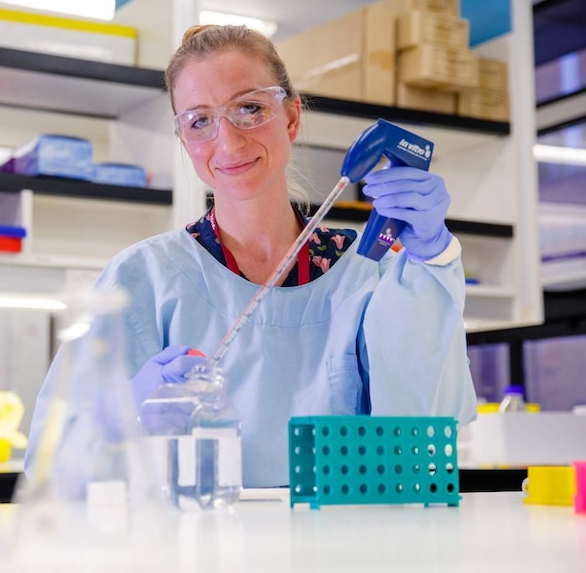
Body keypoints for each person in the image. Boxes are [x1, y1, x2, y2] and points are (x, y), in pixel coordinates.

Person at [25, 24, 478, 489]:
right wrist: (121, 415)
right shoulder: (143, 278)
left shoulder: (367, 271)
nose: (229, 142)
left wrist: (434, 256)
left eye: (249, 108)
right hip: (198, 551)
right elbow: (54, 465)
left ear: (291, 118)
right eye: (199, 121)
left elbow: (425, 434)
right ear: (184, 140)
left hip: (342, 544)